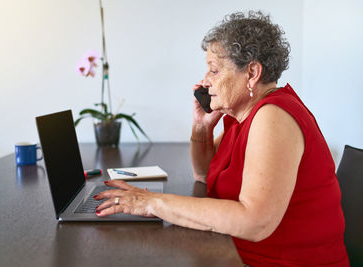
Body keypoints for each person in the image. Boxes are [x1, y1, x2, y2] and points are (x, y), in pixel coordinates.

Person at [94, 11, 349, 266]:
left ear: (252, 73)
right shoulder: (242, 118)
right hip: (239, 254)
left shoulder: (274, 116)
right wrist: (201, 127)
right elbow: (204, 175)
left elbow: (254, 222)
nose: (205, 81)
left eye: (214, 71)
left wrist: (153, 203)